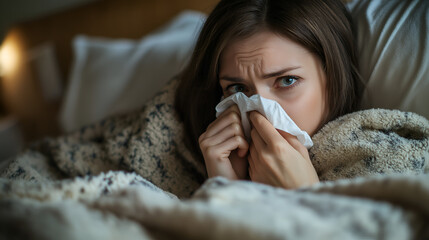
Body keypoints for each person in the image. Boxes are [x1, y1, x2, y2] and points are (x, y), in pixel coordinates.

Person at [175, 0, 363, 189]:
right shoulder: (177, 144)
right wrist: (228, 187)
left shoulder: (372, 158)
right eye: (238, 89)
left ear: (334, 76)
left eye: (287, 80)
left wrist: (303, 192)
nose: (261, 112)